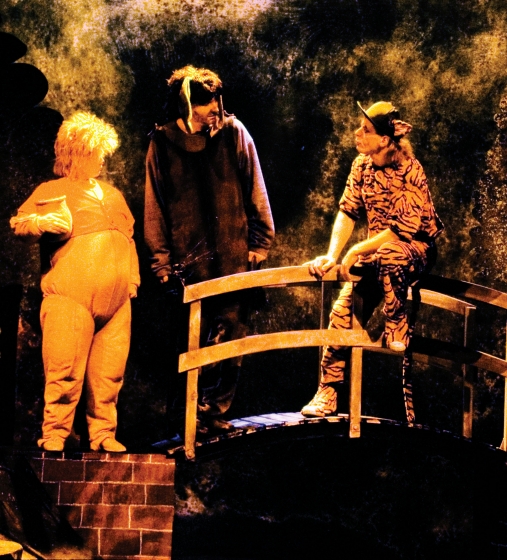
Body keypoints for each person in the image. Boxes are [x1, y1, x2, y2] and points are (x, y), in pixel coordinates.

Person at [144, 65, 275, 435]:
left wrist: (260, 242)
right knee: (192, 339)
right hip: (189, 262)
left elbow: (255, 186)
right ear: (187, 104)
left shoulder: (233, 132)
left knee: (230, 334)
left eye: (217, 100)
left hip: (232, 254)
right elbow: (154, 207)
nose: (215, 108)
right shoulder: (162, 143)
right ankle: (187, 416)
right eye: (206, 103)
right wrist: (160, 261)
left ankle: (213, 410)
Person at [301, 101, 444, 417]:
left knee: (391, 254)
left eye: (366, 130)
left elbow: (402, 231)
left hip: (413, 250)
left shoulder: (410, 170)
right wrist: (333, 255)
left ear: (384, 139)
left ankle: (396, 321)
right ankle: (328, 392)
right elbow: (347, 211)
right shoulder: (361, 166)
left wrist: (357, 250)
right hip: (378, 253)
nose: (358, 133)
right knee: (342, 313)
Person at [11, 111, 140, 452]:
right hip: (70, 298)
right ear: (77, 153)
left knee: (109, 373)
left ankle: (103, 433)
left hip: (117, 305)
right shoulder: (52, 190)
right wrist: (41, 223)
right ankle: (56, 432)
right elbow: (19, 224)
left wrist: (132, 281)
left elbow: (128, 239)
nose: (101, 160)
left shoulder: (113, 195)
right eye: (95, 152)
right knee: (64, 369)